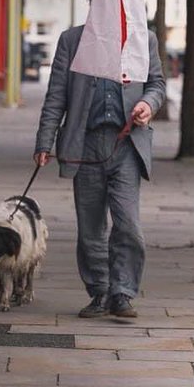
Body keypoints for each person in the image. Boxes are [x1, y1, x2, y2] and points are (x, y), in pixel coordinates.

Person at [33, 23, 166, 319]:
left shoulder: (144, 39)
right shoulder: (71, 40)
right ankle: (100, 291)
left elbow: (157, 84)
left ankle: (123, 292)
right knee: (91, 227)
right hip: (85, 144)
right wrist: (44, 141)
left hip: (127, 144)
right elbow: (56, 96)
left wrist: (148, 103)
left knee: (128, 224)